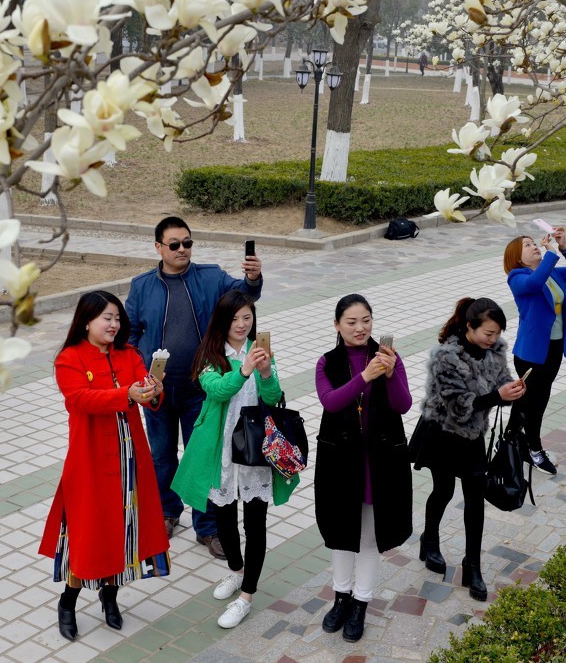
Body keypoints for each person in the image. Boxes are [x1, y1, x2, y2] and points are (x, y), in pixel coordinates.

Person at [126, 216, 263, 559]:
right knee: (161, 457)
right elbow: (129, 334)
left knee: (202, 457)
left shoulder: (211, 277)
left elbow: (243, 295)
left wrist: (253, 277)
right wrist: (138, 374)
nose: (183, 249)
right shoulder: (142, 286)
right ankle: (168, 512)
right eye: (175, 245)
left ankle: (207, 527)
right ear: (158, 247)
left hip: (200, 388)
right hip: (156, 391)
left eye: (187, 243)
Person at [37, 291, 171, 642]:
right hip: (90, 463)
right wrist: (127, 394)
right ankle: (68, 602)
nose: (113, 324)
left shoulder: (130, 354)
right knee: (88, 535)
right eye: (106, 318)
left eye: (117, 318)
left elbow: (149, 395)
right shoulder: (69, 358)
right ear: (86, 321)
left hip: (130, 460)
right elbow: (79, 399)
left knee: (123, 530)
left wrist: (153, 389)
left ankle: (109, 597)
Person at [172, 291, 298, 629]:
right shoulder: (210, 354)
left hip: (256, 450)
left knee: (255, 525)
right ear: (222, 322)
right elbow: (217, 390)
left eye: (247, 317)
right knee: (224, 520)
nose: (242, 325)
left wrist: (268, 373)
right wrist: (244, 370)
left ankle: (247, 596)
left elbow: (273, 398)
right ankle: (236, 572)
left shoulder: (261, 350)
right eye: (235, 319)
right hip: (222, 451)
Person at [410, 297, 526, 601]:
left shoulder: (495, 351)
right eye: (488, 333)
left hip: (472, 436)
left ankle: (471, 565)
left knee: (475, 500)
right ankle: (429, 540)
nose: (494, 339)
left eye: (497, 333)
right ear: (469, 327)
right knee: (443, 491)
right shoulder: (446, 357)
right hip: (443, 434)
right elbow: (460, 407)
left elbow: (501, 382)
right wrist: (497, 396)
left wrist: (512, 391)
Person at [313, 294, 411, 644]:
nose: (360, 328)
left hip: (380, 461)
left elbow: (403, 404)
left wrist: (388, 373)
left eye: (366, 320)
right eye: (352, 322)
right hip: (341, 461)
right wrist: (365, 377)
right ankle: (340, 597)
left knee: (371, 535)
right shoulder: (327, 362)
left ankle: (361, 602)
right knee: (342, 531)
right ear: (337, 325)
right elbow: (331, 401)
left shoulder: (388, 359)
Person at [504, 225, 566, 476]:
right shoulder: (518, 278)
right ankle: (533, 449)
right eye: (527, 245)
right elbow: (535, 281)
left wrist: (563, 245)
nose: (534, 246)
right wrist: (550, 254)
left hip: (555, 346)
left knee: (532, 399)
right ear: (517, 257)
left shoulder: (553, 274)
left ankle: (509, 441)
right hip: (531, 353)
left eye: (533, 243)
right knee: (534, 403)